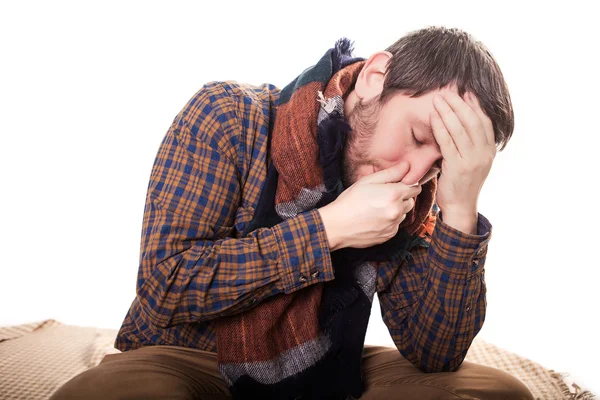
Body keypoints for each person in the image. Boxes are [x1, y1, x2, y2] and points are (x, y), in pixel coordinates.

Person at [50, 26, 534, 399]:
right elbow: (166, 287)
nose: (414, 174)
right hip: (190, 356)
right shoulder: (228, 116)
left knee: (496, 393)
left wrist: (461, 206)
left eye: (441, 166)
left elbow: (436, 353)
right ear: (376, 77)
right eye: (419, 138)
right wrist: (328, 231)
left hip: (328, 370)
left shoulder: (414, 198)